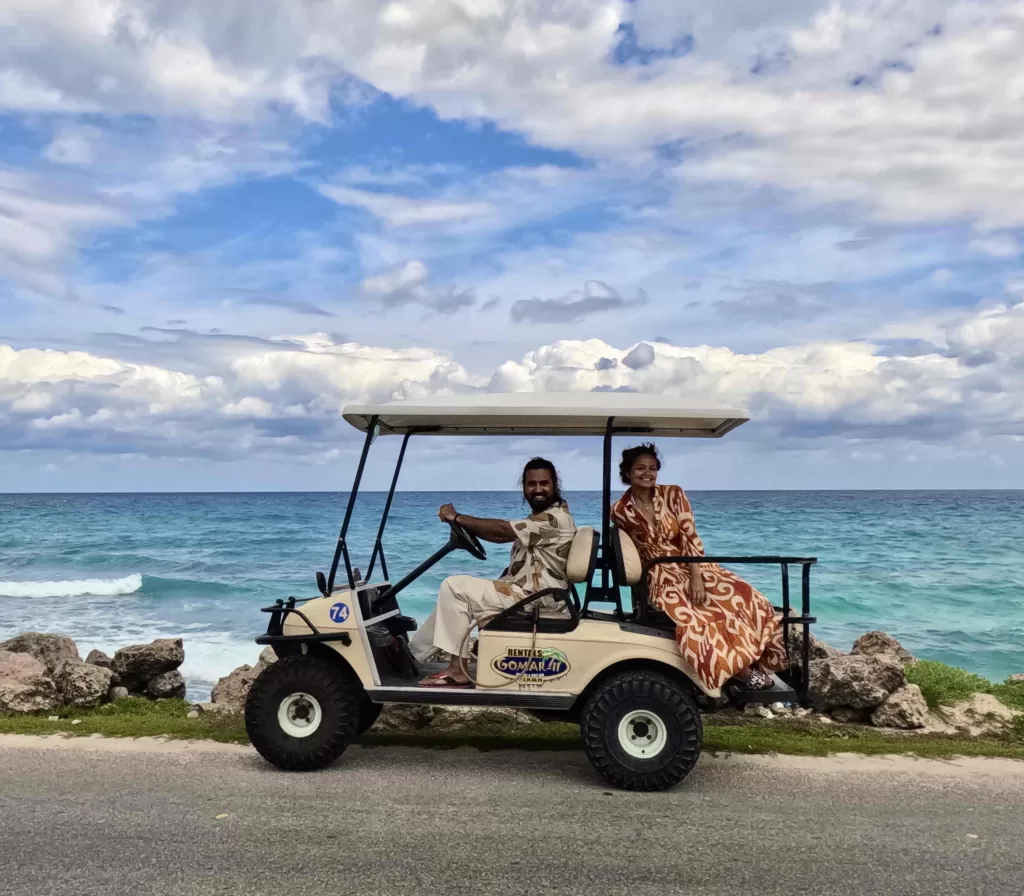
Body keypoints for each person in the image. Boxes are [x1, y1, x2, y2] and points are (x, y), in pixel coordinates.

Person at [610, 442, 787, 691]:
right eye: (640, 468)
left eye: (652, 467)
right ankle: (739, 672)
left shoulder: (673, 494)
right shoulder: (619, 510)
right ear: (628, 473)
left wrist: (697, 576)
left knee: (748, 597)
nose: (647, 473)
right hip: (659, 572)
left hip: (691, 564)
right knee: (695, 617)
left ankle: (752, 660)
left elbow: (690, 536)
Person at [409, 457, 576, 688]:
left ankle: (457, 670)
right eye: (531, 484)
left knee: (453, 586)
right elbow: (501, 536)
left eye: (544, 483)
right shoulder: (543, 518)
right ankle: (412, 656)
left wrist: (456, 518)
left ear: (555, 485)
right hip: (529, 594)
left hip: (536, 600)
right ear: (524, 488)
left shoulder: (555, 519)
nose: (537, 489)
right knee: (453, 599)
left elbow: (500, 532)